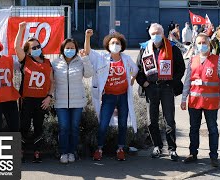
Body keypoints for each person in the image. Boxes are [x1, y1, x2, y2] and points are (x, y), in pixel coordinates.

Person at [84, 29, 138, 161]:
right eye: (112, 42)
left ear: (122, 45)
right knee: (103, 124)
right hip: (108, 97)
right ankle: (99, 149)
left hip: (123, 97)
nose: (115, 45)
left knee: (123, 124)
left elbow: (135, 69)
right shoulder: (102, 57)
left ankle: (120, 149)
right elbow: (88, 52)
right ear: (108, 45)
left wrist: (133, 79)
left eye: (118, 43)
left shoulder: (126, 58)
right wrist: (87, 37)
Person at [136, 23, 185, 161]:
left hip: (167, 87)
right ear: (149, 35)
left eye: (158, 33)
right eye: (153, 34)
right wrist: (144, 83)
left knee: (169, 120)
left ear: (163, 34)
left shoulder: (173, 48)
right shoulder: (144, 48)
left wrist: (172, 81)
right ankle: (157, 146)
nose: (155, 36)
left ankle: (172, 149)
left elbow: (181, 68)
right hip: (150, 87)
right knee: (152, 121)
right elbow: (138, 69)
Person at [180, 33, 220, 167]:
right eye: (199, 43)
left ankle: (213, 156)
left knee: (212, 129)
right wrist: (184, 99)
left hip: (211, 102)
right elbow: (188, 81)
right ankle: (192, 153)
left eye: (204, 43)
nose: (202, 45)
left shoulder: (218, 60)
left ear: (209, 44)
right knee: (193, 129)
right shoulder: (192, 60)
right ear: (196, 45)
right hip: (194, 102)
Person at [14, 22, 54, 163]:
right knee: (23, 125)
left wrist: (49, 96)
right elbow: (16, 47)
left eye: (38, 46)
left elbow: (52, 82)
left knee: (38, 125)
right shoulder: (26, 60)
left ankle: (37, 151)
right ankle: (21, 151)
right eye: (33, 47)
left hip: (41, 100)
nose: (37, 48)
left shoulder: (48, 62)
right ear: (28, 51)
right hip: (26, 99)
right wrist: (21, 29)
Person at [51, 38, 93, 164]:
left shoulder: (80, 61)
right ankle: (63, 152)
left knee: (74, 128)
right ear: (63, 49)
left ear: (76, 49)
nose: (69, 50)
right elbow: (51, 81)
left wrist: (85, 58)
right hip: (61, 101)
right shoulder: (55, 63)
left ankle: (72, 152)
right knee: (64, 127)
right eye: (67, 48)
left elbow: (88, 74)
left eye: (72, 48)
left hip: (77, 101)